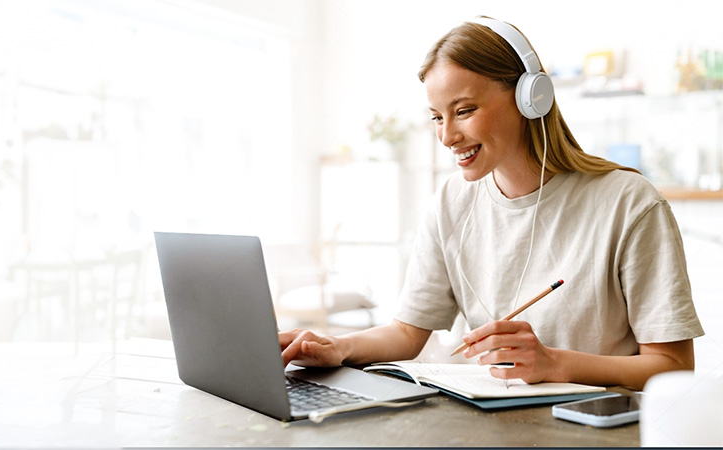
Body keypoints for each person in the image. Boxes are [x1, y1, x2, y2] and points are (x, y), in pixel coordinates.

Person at [279, 17, 704, 391]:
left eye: (464, 111)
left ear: (529, 99)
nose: (446, 136)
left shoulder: (629, 203)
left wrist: (555, 363)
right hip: (477, 419)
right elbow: (408, 333)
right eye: (436, 117)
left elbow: (673, 366)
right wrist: (337, 346)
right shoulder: (449, 202)